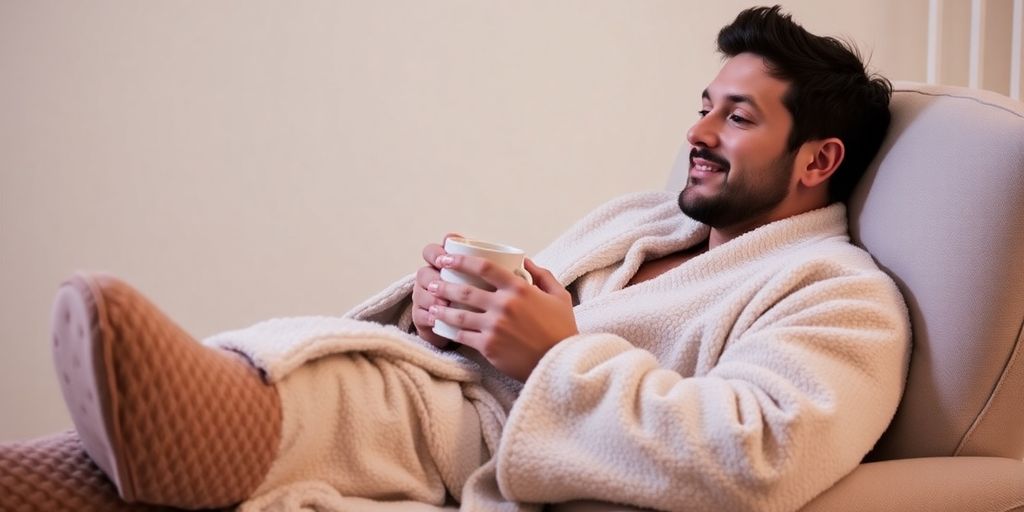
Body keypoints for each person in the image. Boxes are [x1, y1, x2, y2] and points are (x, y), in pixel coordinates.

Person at [0, 5, 909, 512]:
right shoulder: (644, 223)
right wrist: (449, 308)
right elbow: (525, 328)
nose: (697, 133)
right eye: (704, 105)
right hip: (443, 392)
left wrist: (555, 352)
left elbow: (760, 454)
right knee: (77, 476)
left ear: (817, 160)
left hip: (471, 440)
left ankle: (210, 416)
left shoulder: (841, 298)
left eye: (737, 117)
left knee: (348, 405)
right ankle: (166, 427)